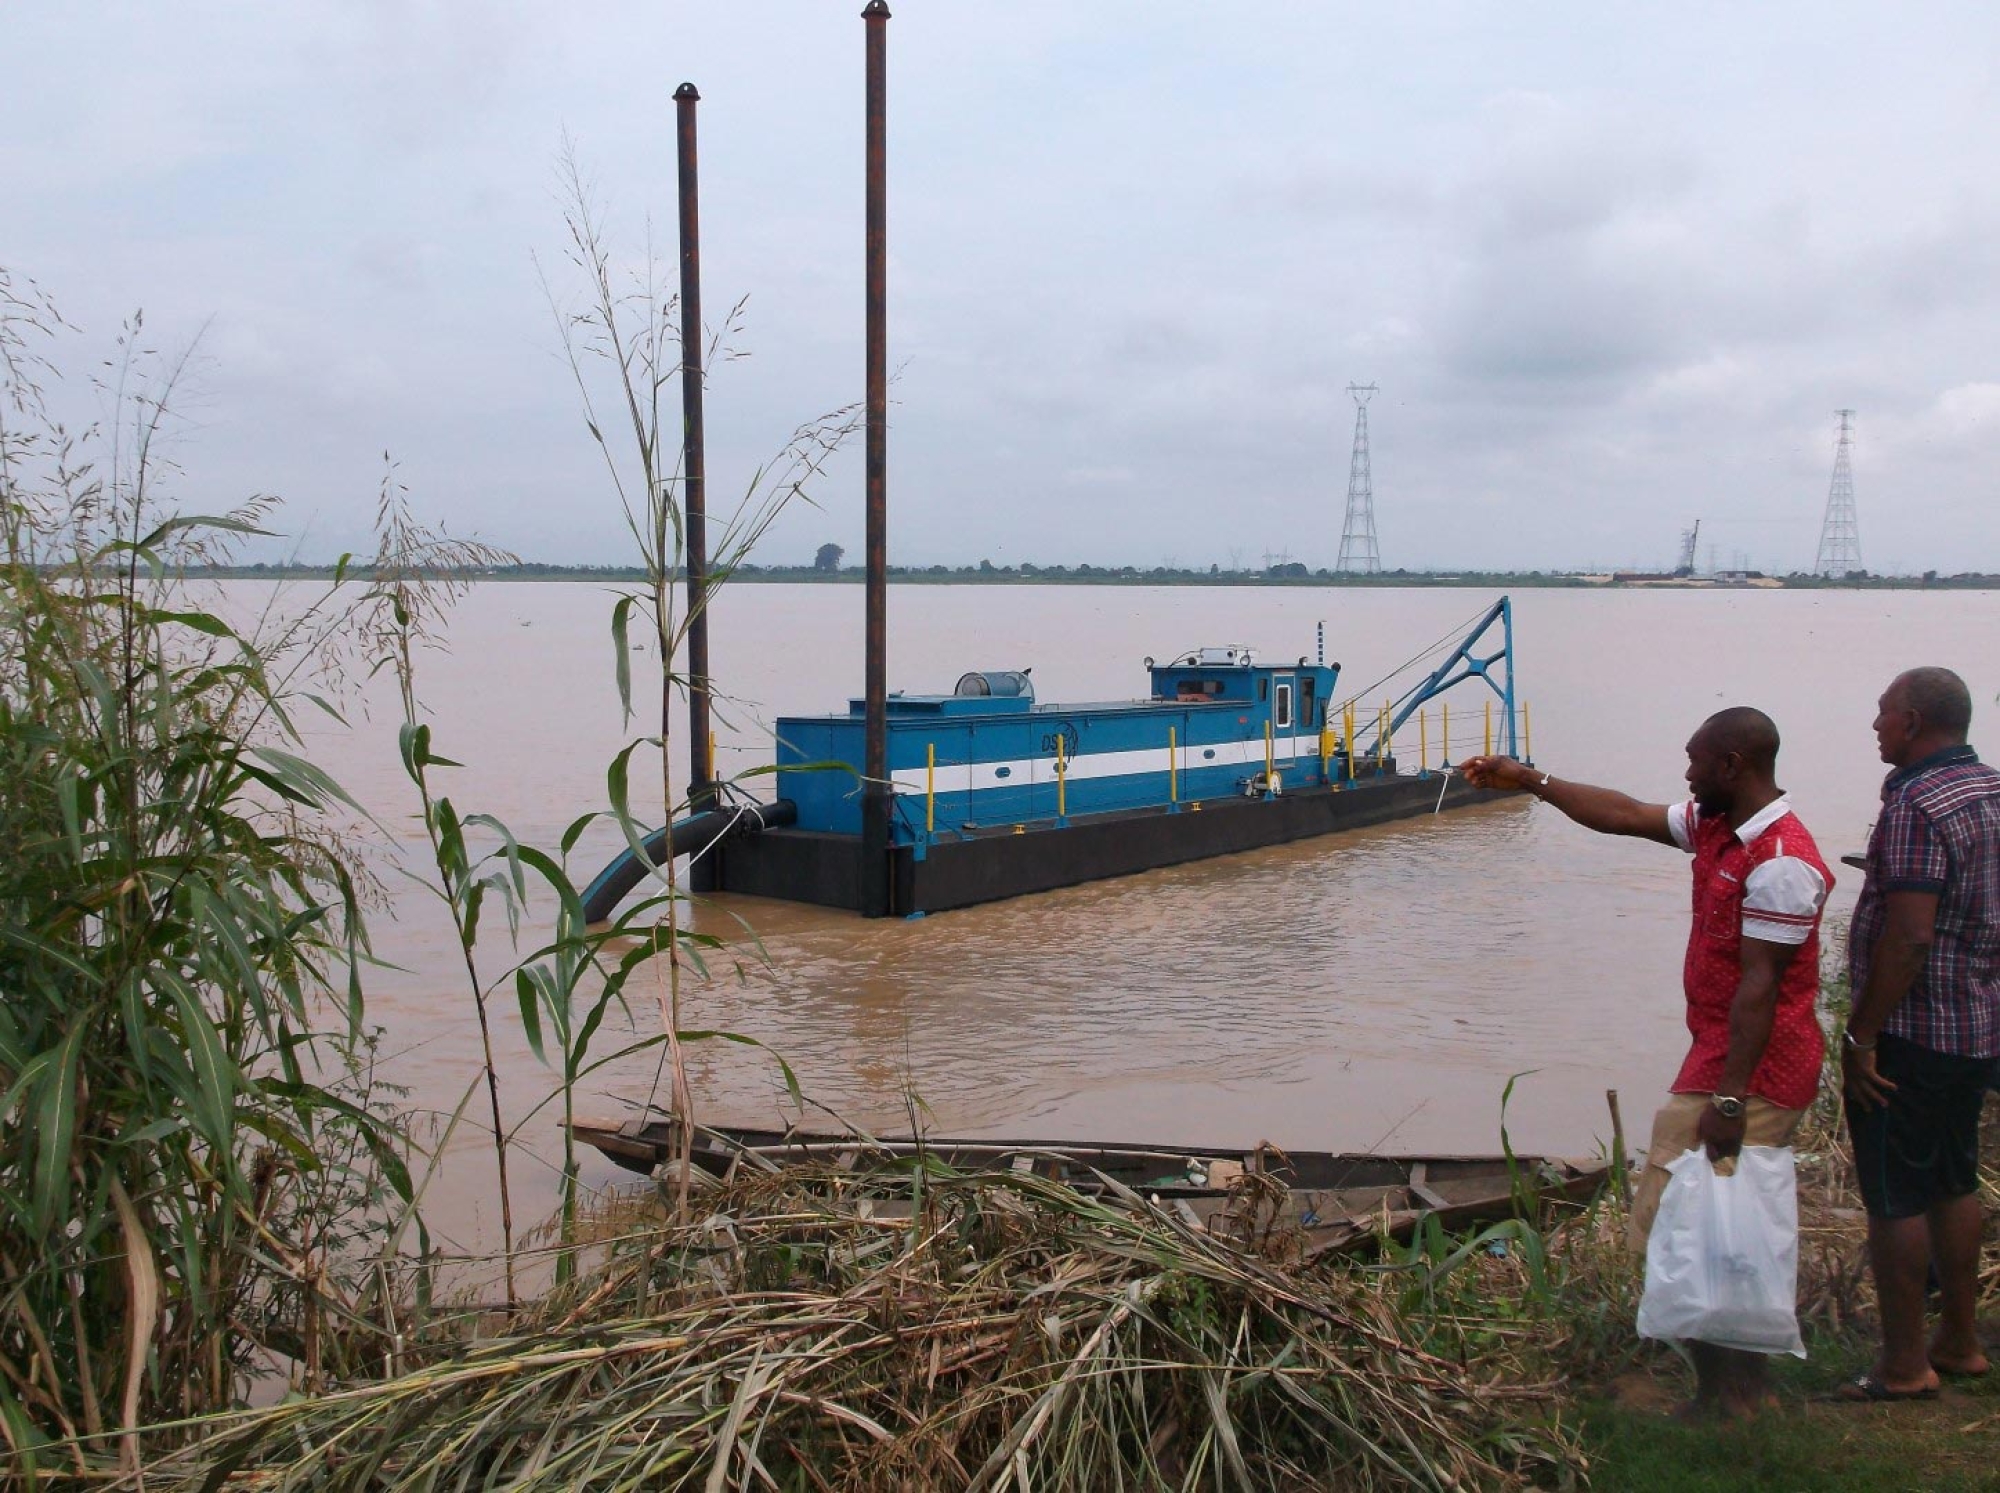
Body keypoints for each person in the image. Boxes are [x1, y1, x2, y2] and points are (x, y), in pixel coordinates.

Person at [1462, 706, 1832, 1421]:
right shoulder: (1720, 827)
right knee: (1704, 1228)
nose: (1686, 774)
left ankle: (1737, 1396)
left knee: (1697, 1228)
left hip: (1752, 1073)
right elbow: (1625, 814)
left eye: (1696, 761)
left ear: (1732, 765)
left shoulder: (1782, 862)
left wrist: (1727, 1103)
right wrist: (1530, 780)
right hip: (1721, 1060)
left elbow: (1763, 988)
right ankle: (1729, 1392)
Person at [1840, 666, 2000, 1402]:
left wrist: (1863, 1034)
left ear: (1911, 719)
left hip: (1912, 1031)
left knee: (1894, 1194)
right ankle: (1961, 1341)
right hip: (1976, 1026)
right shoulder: (1991, 789)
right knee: (1954, 1178)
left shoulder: (1914, 801)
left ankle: (1904, 1364)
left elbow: (1908, 936)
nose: (1874, 724)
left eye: (1881, 712)